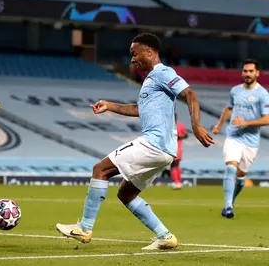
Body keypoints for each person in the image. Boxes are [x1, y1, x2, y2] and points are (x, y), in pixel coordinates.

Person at [55, 33, 214, 250]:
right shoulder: (150, 80)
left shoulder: (163, 73)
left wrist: (195, 125)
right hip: (165, 151)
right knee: (126, 193)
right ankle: (165, 236)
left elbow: (190, 94)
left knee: (100, 169)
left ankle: (84, 227)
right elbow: (140, 110)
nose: (132, 59)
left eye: (134, 53)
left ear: (149, 52)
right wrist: (110, 105)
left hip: (153, 144)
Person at [212, 58, 269, 219]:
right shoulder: (235, 90)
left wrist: (246, 122)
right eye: (245, 71)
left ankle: (232, 199)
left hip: (251, 142)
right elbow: (228, 108)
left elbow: (267, 119)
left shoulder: (262, 94)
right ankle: (228, 206)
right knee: (230, 167)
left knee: (241, 175)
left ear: (257, 73)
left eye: (251, 71)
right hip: (233, 136)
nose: (248, 74)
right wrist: (219, 125)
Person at [171, 113, 188, 190]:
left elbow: (186, 135)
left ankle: (177, 182)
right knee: (174, 165)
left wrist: (180, 136)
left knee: (175, 164)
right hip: (170, 147)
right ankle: (178, 182)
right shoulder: (168, 126)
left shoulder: (180, 125)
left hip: (178, 147)